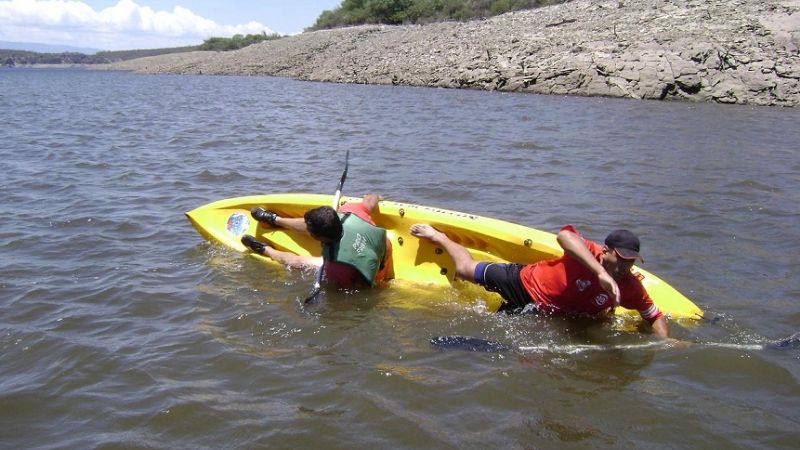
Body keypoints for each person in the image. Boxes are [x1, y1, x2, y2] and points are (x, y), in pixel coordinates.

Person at [409, 223, 670, 338]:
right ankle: (440, 237)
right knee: (465, 269)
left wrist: (667, 342)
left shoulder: (629, 286)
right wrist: (600, 273)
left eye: (632, 261)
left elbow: (654, 315)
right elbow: (564, 236)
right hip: (523, 282)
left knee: (499, 327)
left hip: (546, 312)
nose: (626, 265)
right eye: (622, 258)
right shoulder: (589, 251)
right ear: (606, 250)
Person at [241, 194, 392, 288]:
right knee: (316, 224)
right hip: (382, 244)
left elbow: (354, 288)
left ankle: (265, 249)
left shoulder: (335, 266)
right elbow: (370, 200)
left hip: (379, 268)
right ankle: (276, 220)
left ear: (319, 239)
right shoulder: (350, 210)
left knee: (299, 262)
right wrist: (378, 196)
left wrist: (328, 287)